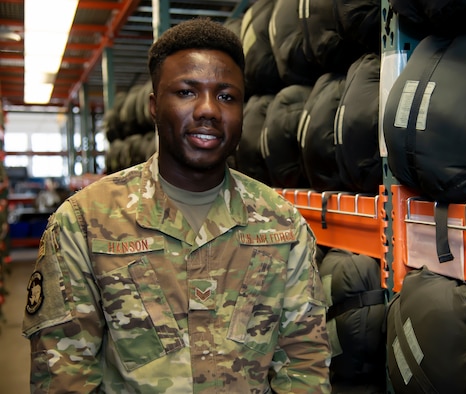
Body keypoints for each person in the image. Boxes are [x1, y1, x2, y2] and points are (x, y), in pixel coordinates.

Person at [22, 17, 332, 393]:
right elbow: (64, 376)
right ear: (153, 106)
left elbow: (304, 364)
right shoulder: (84, 224)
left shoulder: (282, 225)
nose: (208, 110)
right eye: (187, 92)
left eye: (226, 96)